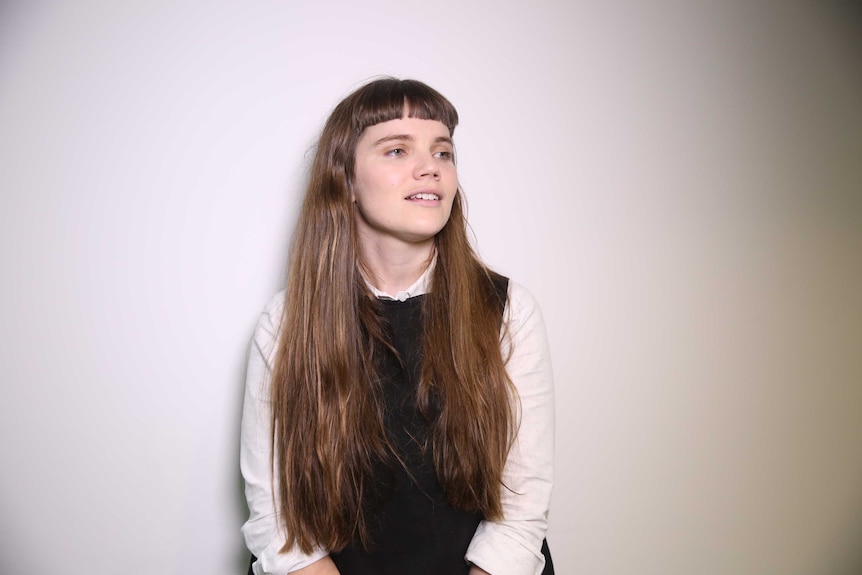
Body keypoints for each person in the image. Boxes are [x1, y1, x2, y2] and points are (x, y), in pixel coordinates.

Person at [240, 78, 555, 575]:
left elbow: (521, 510)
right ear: (344, 180)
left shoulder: (508, 310)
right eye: (396, 150)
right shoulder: (287, 324)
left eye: (443, 152)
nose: (430, 166)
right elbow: (279, 526)